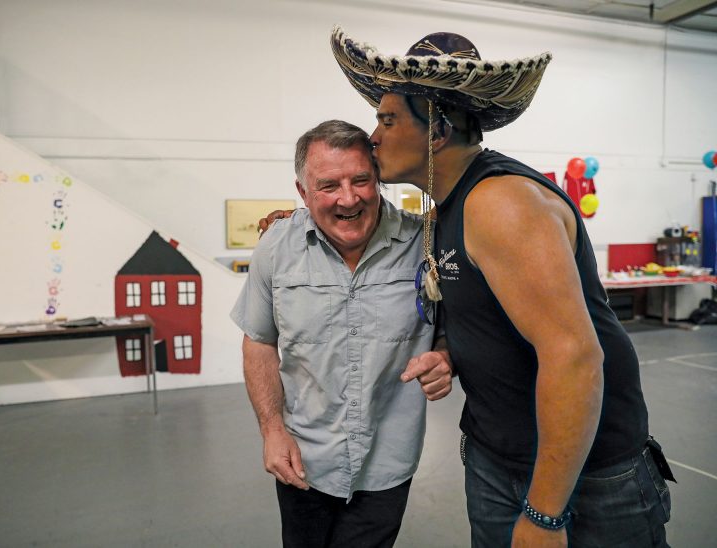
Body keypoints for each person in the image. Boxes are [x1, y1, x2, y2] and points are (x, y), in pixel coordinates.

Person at [326, 26, 674, 547]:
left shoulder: (500, 203)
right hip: (497, 457)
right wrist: (448, 349)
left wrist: (546, 515)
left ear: (436, 130)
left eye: (388, 119)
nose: (373, 136)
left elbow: (575, 357)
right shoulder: (446, 206)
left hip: (583, 480)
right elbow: (482, 310)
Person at [231, 120, 452, 548]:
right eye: (329, 185)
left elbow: (451, 331)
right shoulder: (276, 247)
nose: (348, 198)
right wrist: (272, 430)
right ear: (303, 191)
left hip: (387, 460)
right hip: (304, 460)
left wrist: (444, 357)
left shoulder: (423, 242)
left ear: (379, 179)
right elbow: (259, 340)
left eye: (361, 180)